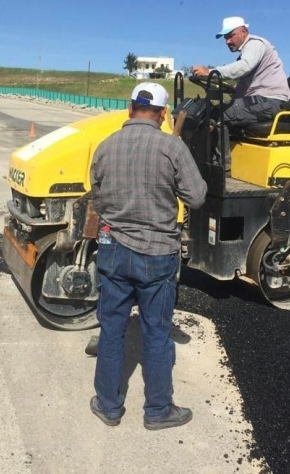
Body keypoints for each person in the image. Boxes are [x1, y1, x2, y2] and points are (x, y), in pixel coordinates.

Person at [89, 83, 207, 430]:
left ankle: (109, 405)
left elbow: (96, 196)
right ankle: (157, 411)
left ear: (129, 109)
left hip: (113, 250)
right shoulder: (172, 147)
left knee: (111, 330)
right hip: (157, 253)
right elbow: (197, 197)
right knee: (156, 332)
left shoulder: (106, 147)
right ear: (163, 114)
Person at [192, 16, 290, 128]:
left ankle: (207, 145)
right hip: (261, 101)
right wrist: (234, 88)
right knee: (210, 110)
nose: (227, 41)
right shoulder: (247, 52)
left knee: (214, 114)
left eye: (230, 36)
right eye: (225, 38)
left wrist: (209, 72)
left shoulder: (255, 44)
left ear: (243, 32)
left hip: (270, 102)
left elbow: (244, 67)